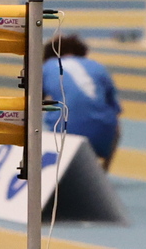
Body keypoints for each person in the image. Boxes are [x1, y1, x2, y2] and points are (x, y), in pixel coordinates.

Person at [42, 34, 123, 170]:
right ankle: (103, 172)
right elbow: (115, 109)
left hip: (64, 134)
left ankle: (53, 169)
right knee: (117, 127)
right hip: (101, 136)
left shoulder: (48, 67)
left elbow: (33, 104)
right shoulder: (98, 67)